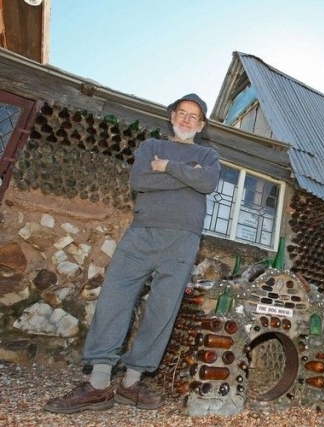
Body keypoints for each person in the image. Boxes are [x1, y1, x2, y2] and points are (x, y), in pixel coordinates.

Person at [44, 94, 221, 414]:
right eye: (181, 113)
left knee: (162, 309)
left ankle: (131, 382)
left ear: (201, 124)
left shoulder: (207, 155)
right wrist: (185, 175)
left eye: (193, 117)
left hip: (183, 240)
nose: (186, 120)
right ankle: (98, 385)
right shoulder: (150, 147)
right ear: (171, 117)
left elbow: (206, 182)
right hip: (141, 233)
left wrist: (166, 168)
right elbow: (141, 180)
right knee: (115, 297)